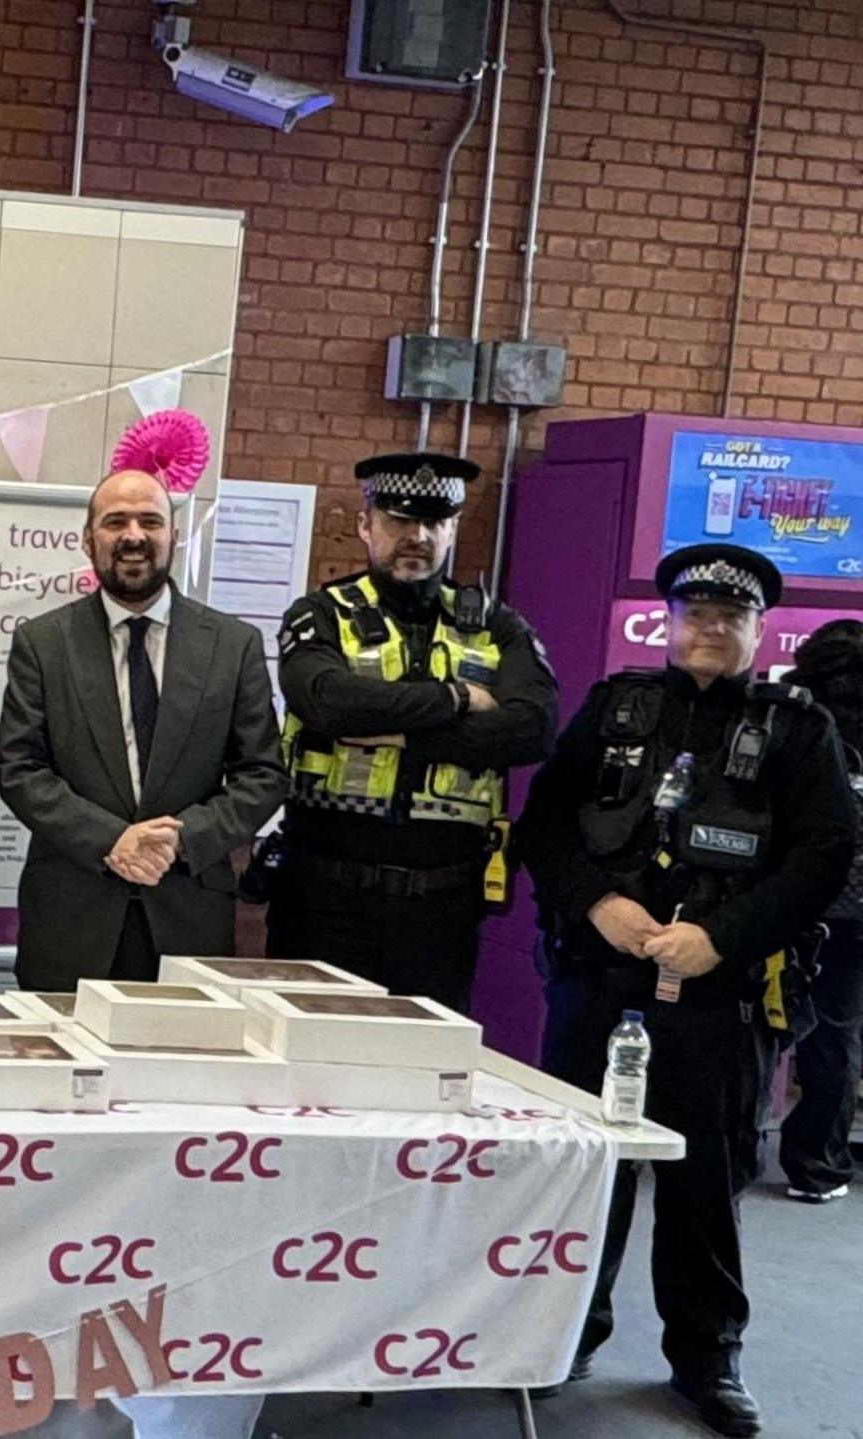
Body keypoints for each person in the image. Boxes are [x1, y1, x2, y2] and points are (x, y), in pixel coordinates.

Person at [518, 543, 854, 1437]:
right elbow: (543, 825)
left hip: (719, 992)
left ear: (757, 629)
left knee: (707, 1176)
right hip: (600, 979)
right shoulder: (615, 707)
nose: (710, 628)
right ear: (670, 621)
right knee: (583, 1171)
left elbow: (824, 855)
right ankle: (562, 1334)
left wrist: (721, 938)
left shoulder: (797, 728)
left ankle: (707, 1356)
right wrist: (598, 903)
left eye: (729, 616)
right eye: (695, 613)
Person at [266, 453, 559, 1013]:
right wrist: (455, 699)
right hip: (324, 899)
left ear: (452, 527)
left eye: (434, 522)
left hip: (442, 909)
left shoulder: (498, 626)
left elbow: (533, 728)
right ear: (365, 524)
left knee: (424, 1074)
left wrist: (403, 738)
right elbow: (327, 700)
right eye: (399, 521)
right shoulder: (320, 614)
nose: (417, 537)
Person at [0, 466, 287, 991]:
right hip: (71, 917)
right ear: (88, 541)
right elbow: (19, 770)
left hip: (189, 914)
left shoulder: (233, 645)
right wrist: (113, 840)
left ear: (174, 536)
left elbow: (262, 774)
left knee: (179, 1070)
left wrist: (178, 840)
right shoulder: (42, 643)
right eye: (115, 522)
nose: (133, 535)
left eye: (150, 521)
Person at [782, 618, 863, 1204]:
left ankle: (728, 1145)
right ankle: (818, 1166)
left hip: (791, 895)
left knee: (749, 1025)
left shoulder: (796, 718)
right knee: (836, 1033)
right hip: (856, 908)